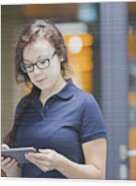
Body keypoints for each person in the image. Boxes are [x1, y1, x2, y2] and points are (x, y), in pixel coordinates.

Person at [1, 18, 107, 179]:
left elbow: (99, 177)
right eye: (29, 65)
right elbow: (22, 175)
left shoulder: (85, 104)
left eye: (43, 61)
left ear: (61, 55)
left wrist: (60, 163)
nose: (36, 72)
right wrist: (10, 169)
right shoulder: (24, 105)